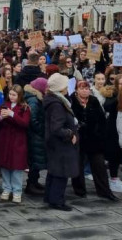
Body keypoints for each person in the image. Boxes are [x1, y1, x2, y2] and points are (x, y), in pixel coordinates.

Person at [70, 81, 118, 201]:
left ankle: (104, 191)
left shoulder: (93, 100)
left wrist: (100, 134)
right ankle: (79, 190)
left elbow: (102, 119)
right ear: (76, 90)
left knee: (99, 166)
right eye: (82, 88)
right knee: (78, 165)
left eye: (87, 88)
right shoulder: (71, 101)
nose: (85, 91)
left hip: (94, 139)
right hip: (78, 139)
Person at [43, 73, 79, 211]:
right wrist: (70, 134)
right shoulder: (57, 104)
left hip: (55, 143)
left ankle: (50, 196)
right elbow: (56, 128)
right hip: (60, 144)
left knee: (54, 171)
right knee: (61, 172)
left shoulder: (56, 100)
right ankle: (57, 200)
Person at [0, 85, 30, 203]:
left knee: (16, 168)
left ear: (20, 96)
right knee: (5, 166)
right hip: (4, 139)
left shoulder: (25, 108)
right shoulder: (4, 105)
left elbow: (25, 123)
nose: (11, 97)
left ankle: (17, 191)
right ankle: (6, 189)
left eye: (14, 95)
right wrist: (1, 116)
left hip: (18, 140)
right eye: (10, 94)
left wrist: (12, 115)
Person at [24, 77, 48, 195]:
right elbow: (32, 119)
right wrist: (41, 130)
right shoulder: (34, 100)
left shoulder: (36, 98)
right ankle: (31, 184)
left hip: (35, 134)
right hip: (35, 135)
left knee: (36, 159)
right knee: (35, 160)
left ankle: (34, 182)